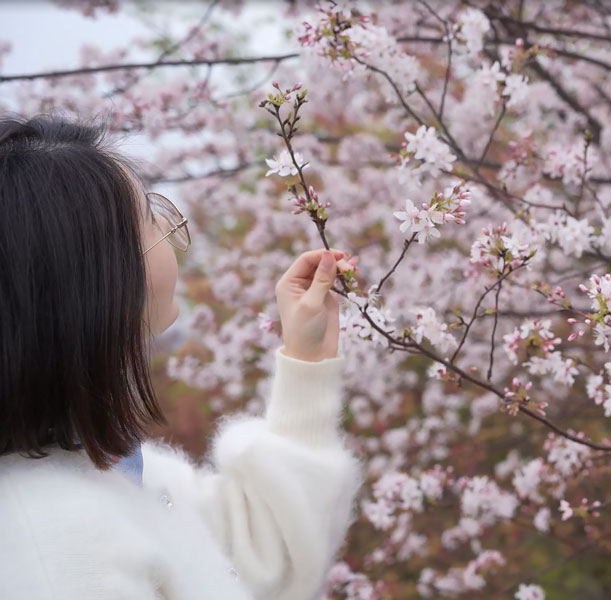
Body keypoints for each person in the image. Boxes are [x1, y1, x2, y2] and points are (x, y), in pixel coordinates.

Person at [0, 113, 364, 599]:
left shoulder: (120, 471)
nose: (171, 230)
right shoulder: (58, 553)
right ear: (95, 277)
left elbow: (258, 557)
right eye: (150, 216)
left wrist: (306, 361)